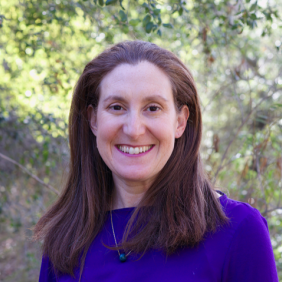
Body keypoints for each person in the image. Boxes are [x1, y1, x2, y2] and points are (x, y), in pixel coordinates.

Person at [34, 40, 278, 282]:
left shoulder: (239, 231)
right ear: (93, 120)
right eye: (117, 107)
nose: (134, 129)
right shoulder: (65, 238)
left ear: (180, 122)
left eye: (152, 108)